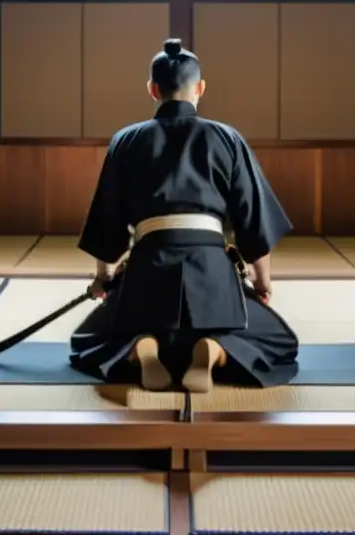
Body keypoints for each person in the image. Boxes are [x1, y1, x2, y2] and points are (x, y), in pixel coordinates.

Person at [69, 38, 300, 393]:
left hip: (147, 268)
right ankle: (218, 350)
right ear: (201, 88)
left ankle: (140, 348)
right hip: (212, 271)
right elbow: (252, 219)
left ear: (152, 89)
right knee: (279, 341)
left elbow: (106, 216)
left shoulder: (126, 140)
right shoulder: (227, 138)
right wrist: (261, 282)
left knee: (88, 338)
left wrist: (103, 277)